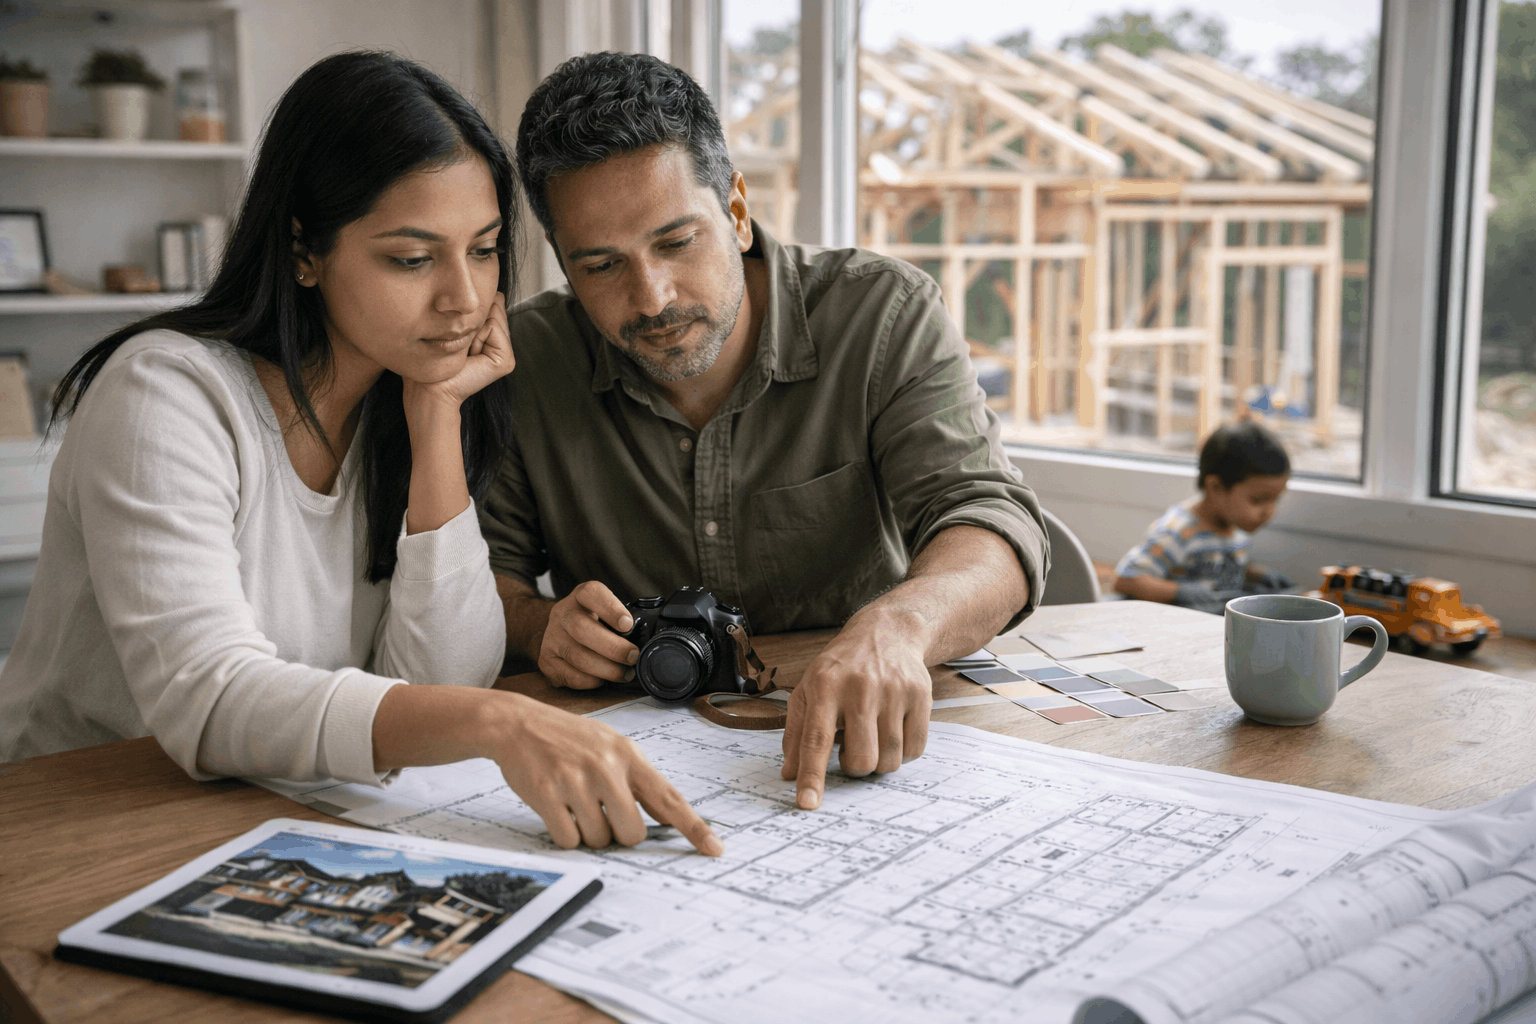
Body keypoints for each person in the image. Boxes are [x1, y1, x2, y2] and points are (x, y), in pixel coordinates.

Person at [0, 52, 719, 858]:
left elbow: (438, 680)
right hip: (77, 820)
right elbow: (208, 698)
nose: (465, 298)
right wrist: (502, 722)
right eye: (411, 259)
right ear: (304, 249)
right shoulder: (165, 394)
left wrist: (437, 415)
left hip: (271, 816)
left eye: (483, 250)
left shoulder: (401, 394)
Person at [479, 52, 1050, 812]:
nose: (651, 298)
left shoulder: (881, 315)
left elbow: (995, 525)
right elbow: (484, 581)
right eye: (602, 265)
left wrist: (900, 624)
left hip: (874, 759)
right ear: (561, 262)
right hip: (644, 767)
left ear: (737, 212)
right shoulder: (527, 362)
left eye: (677, 242)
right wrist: (539, 623)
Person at [1113, 421, 1292, 613]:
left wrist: (1256, 574)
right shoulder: (1180, 531)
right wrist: (1179, 592)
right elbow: (1126, 579)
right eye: (1258, 500)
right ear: (1216, 488)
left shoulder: (1237, 530)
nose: (1269, 511)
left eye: (1276, 500)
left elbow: (1219, 564)